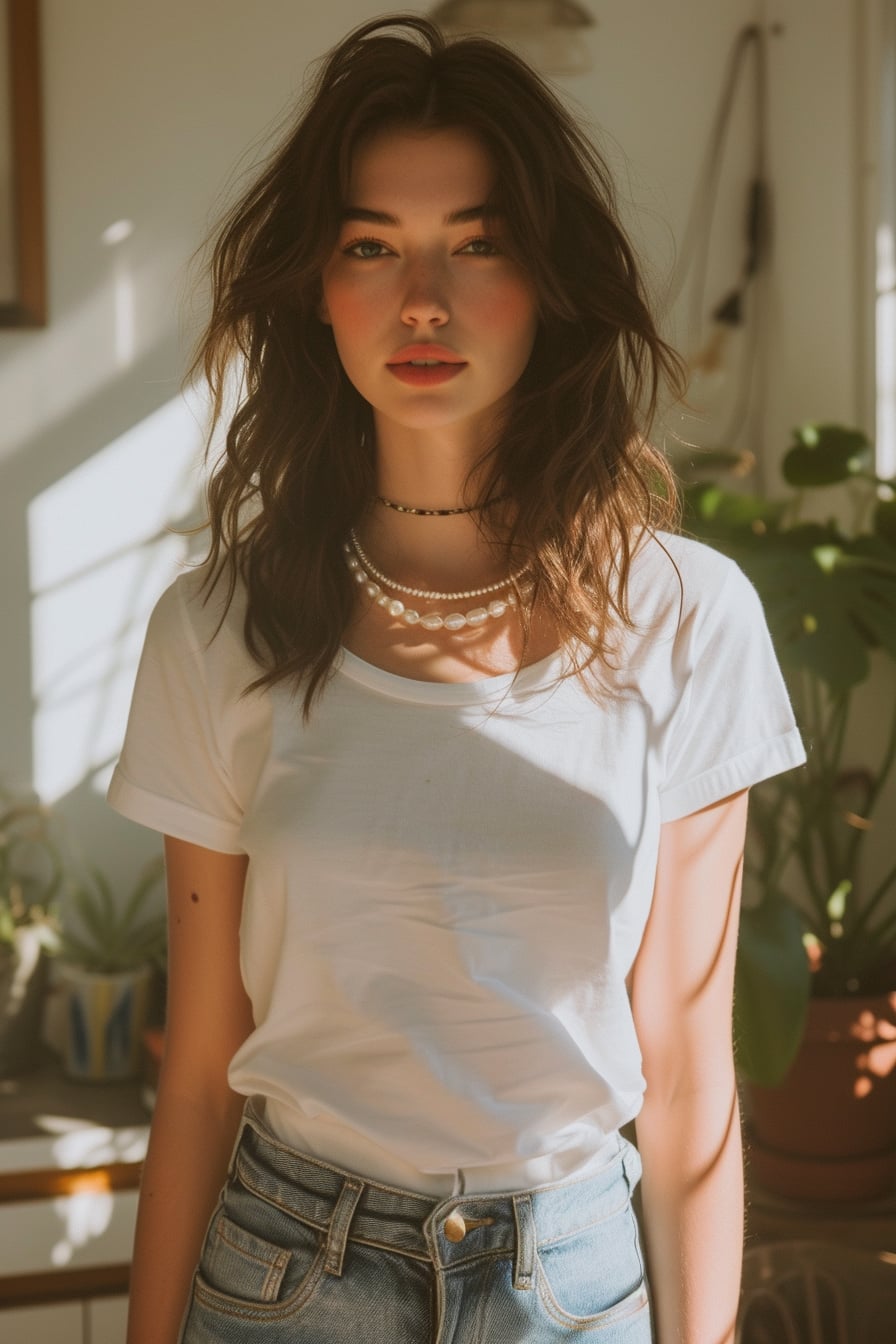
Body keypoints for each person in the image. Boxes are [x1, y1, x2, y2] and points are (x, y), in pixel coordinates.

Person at [108, 14, 805, 1344]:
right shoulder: (213, 630)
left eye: (476, 243)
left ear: (547, 277)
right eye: (372, 245)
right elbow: (198, 1080)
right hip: (287, 1276)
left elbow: (690, 1078)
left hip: (579, 1279)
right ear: (319, 285)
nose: (422, 298)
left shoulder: (691, 619)